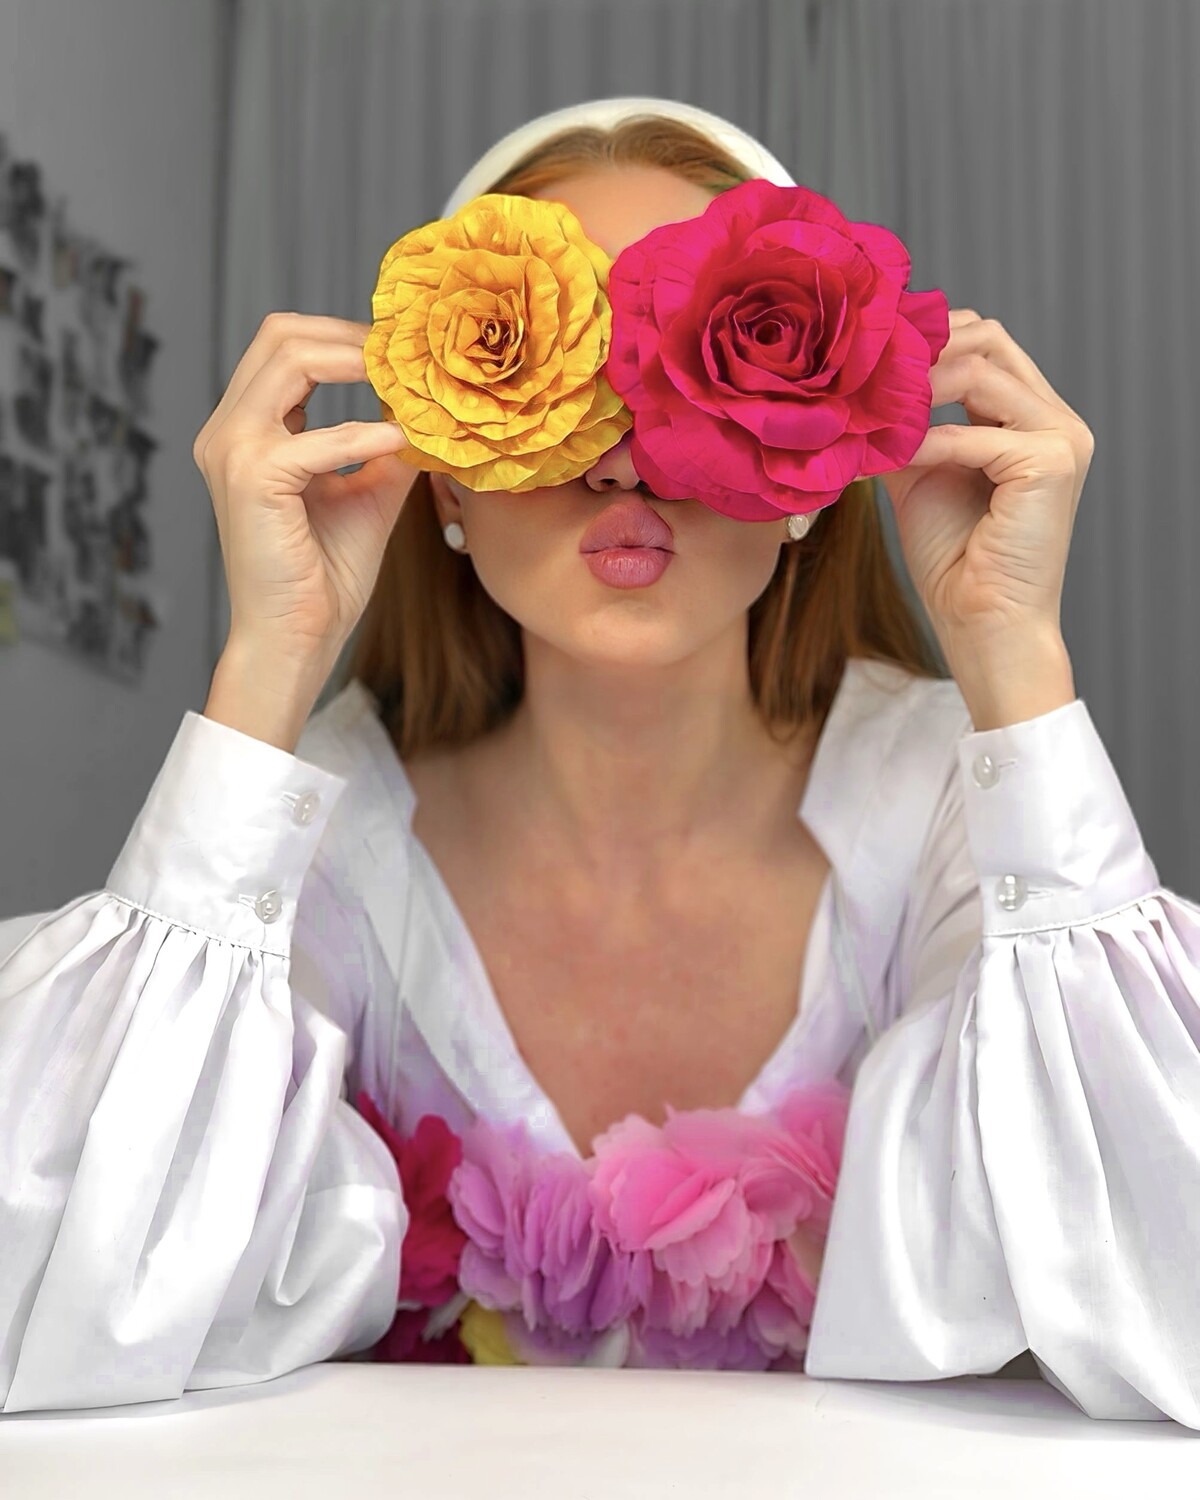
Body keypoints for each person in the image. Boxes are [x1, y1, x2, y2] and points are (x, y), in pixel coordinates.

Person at [1, 96, 1198, 1422]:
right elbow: (53, 1306)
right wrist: (270, 661)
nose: (626, 460)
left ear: (813, 474)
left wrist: (1012, 653)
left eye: (699, 370)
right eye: (551, 379)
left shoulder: (941, 806)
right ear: (446, 473)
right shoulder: (333, 836)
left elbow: (1174, 1302)